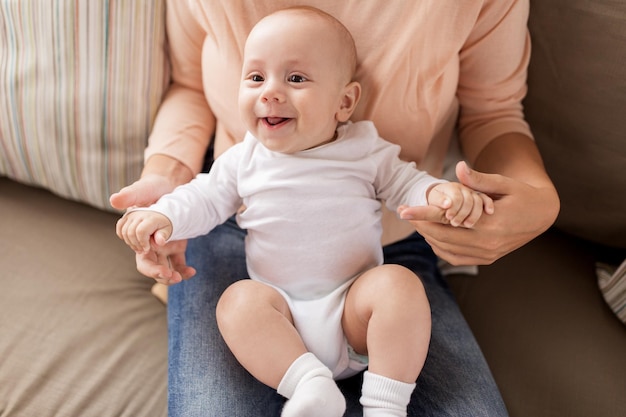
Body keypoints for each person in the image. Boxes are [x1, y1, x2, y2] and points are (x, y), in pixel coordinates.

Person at [110, 1, 560, 416]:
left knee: (398, 288)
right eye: (255, 78)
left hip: (357, 301)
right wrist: (164, 212)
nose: (269, 93)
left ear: (345, 102)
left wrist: (445, 197)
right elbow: (204, 196)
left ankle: (385, 403)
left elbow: (412, 183)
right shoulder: (243, 158)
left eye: (296, 79)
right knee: (236, 305)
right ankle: (309, 384)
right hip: (277, 309)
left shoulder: (366, 150)